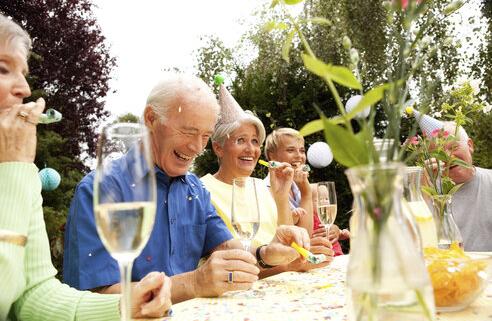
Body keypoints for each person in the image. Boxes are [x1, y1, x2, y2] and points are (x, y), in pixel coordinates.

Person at [63, 73, 311, 303]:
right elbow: (94, 297)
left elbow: (225, 245)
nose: (197, 147)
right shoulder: (102, 188)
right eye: (189, 131)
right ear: (151, 119)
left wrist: (266, 254)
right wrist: (193, 282)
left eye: (205, 135)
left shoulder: (195, 190)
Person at [0, 13, 172, 320]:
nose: (25, 89)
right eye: (3, 69)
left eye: (24, 73)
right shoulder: (16, 169)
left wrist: (124, 306)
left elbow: (34, 292)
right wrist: (13, 168)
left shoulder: (21, 172)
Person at [200, 82, 333, 274]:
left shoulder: (259, 187)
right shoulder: (203, 190)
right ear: (218, 148)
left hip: (281, 286)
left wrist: (281, 198)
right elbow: (227, 261)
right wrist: (290, 265)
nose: (251, 149)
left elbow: (287, 243)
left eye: (255, 141)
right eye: (240, 140)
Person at [263, 128, 345, 256]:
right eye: (290, 150)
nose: (299, 156)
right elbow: (302, 236)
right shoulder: (266, 190)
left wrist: (334, 230)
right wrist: (306, 194)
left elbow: (316, 221)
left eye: (302, 150)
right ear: (272, 156)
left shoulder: (297, 186)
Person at [441, 122, 492, 252]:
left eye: (454, 147)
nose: (448, 157)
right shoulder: (425, 193)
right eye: (438, 153)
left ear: (469, 145)